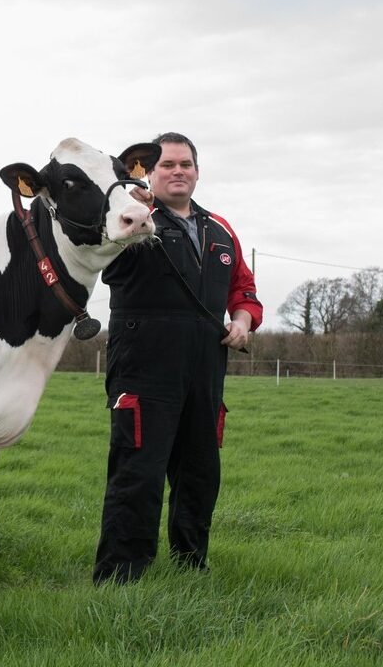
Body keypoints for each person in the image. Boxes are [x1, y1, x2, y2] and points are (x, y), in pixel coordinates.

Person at [93, 132, 263, 584]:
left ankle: (192, 566)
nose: (178, 171)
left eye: (185, 164)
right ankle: (120, 576)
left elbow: (242, 289)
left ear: (197, 172)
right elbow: (102, 254)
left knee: (200, 473)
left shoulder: (220, 228)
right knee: (138, 472)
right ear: (149, 172)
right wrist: (133, 207)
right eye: (167, 164)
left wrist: (243, 321)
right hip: (144, 365)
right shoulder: (133, 218)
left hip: (205, 368)